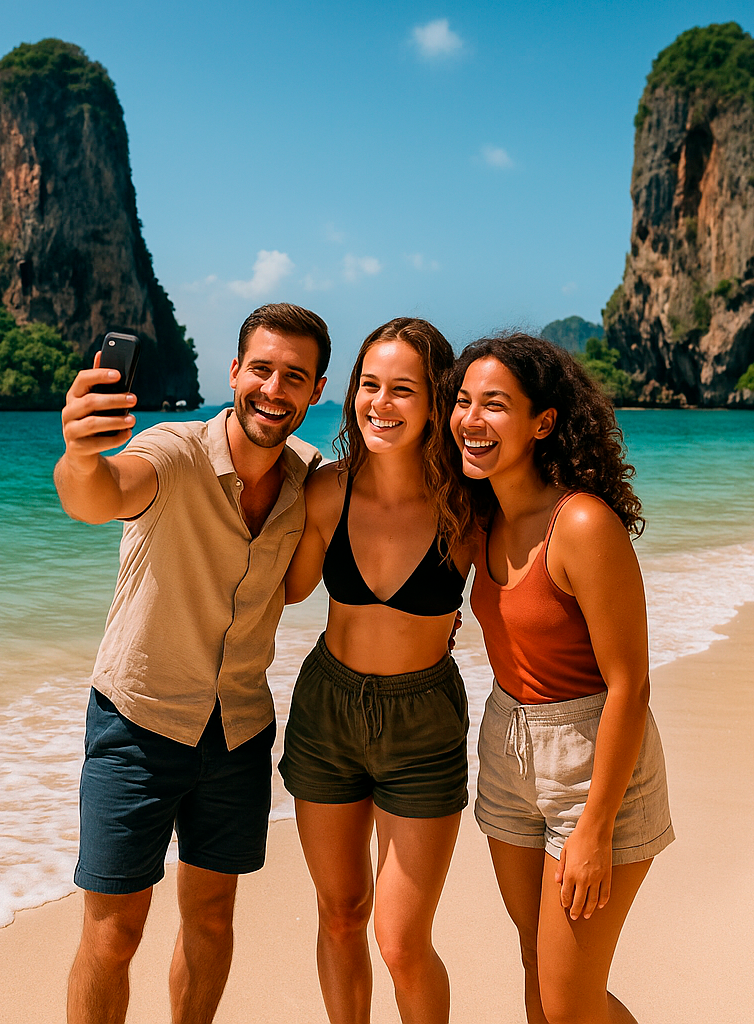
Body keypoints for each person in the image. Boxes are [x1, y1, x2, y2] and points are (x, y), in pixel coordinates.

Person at [54, 303, 329, 1024]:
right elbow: (98, 494)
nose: (275, 389)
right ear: (234, 373)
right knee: (114, 935)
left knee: (210, 920)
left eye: (294, 377)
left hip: (238, 732)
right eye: (262, 369)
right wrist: (80, 451)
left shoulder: (309, 479)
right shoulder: (174, 452)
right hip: (138, 724)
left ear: (317, 390)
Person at [448, 333, 674, 1024]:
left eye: (495, 404)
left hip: (592, 760)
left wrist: (596, 826)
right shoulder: (480, 518)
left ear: (542, 422)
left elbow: (630, 684)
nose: (471, 420)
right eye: (462, 402)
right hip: (505, 745)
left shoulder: (580, 522)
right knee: (536, 967)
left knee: (570, 1001)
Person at [280, 317, 472, 1024]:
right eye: (369, 385)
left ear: (435, 401)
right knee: (339, 914)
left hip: (424, 725)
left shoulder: (467, 503)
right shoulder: (327, 491)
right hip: (327, 712)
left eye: (403, 389)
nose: (380, 404)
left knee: (400, 940)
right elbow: (282, 588)